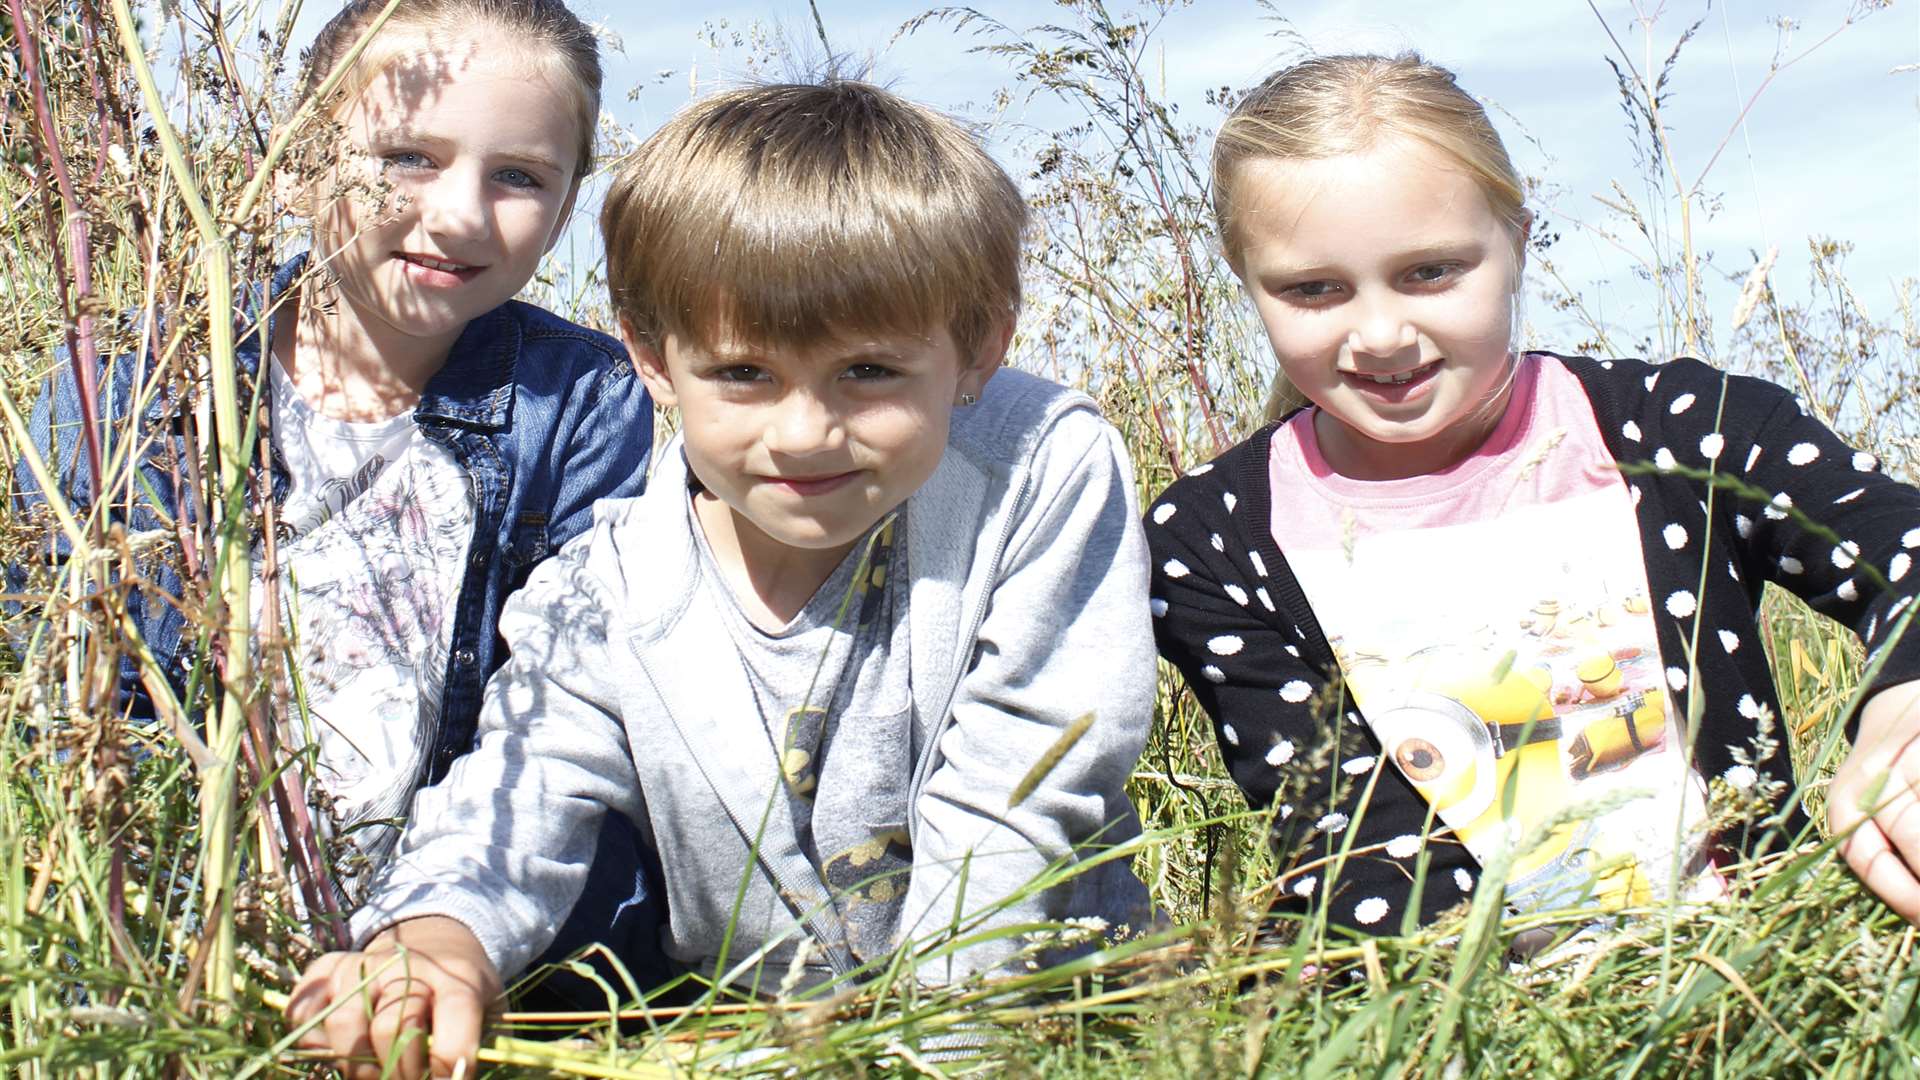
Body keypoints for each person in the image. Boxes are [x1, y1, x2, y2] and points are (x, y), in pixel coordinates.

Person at [284, 78, 1156, 1078]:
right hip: (769, 1045)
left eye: (870, 372)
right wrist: (435, 934)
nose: (804, 432)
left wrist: (932, 1050)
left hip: (1063, 1025)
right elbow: (519, 791)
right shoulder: (605, 590)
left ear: (979, 348)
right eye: (743, 373)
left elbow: (1024, 784)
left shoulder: (1034, 467)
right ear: (654, 359)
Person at [1147, 53, 1920, 939]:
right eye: (1312, 290)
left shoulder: (1683, 427)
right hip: (1443, 1011)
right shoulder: (1210, 538)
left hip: (1744, 971)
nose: (1381, 334)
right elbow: (1363, 860)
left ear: (1517, 239)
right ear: (1247, 282)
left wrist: (1906, 696)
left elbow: (1904, 552)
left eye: (1431, 272)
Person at [14, 0, 653, 924]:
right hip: (186, 913)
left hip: (459, 916)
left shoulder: (586, 401)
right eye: (407, 158)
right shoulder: (131, 388)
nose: (460, 214)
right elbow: (76, 690)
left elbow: (563, 708)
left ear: (562, 214)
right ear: (297, 167)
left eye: (518, 177)